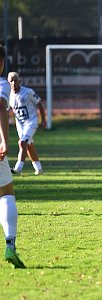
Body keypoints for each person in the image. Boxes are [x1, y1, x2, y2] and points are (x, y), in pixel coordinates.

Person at [0, 45, 26, 268]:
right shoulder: (1, 85)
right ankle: (10, 245)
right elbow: (0, 107)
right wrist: (4, 140)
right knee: (6, 193)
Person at [8, 72, 46, 175]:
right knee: (28, 146)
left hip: (31, 122)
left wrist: (43, 119)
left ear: (19, 81)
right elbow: (6, 110)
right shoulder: (9, 95)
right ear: (8, 82)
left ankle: (18, 168)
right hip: (20, 124)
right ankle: (39, 169)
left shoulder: (28, 92)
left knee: (22, 143)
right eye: (11, 80)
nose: (14, 82)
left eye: (15, 80)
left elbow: (39, 103)